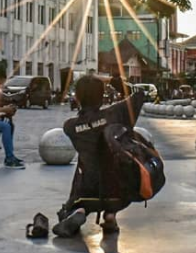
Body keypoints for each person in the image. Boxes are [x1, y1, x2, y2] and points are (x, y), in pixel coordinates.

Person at [53, 74, 146, 238]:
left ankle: (79, 210)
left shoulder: (70, 126)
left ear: (78, 97)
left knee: (85, 169)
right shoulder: (117, 113)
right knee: (113, 168)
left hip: (88, 188)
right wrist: (113, 81)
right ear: (102, 96)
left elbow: (87, 123)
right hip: (119, 191)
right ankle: (110, 216)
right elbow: (139, 93)